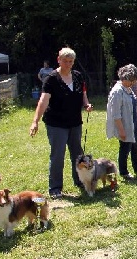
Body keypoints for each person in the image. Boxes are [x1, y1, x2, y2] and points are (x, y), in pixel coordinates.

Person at [29, 47, 93, 199]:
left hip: (75, 121)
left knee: (77, 153)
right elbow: (43, 101)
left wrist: (86, 104)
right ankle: (55, 188)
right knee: (58, 155)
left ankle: (79, 180)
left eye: (71, 61)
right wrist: (35, 121)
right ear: (59, 60)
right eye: (65, 61)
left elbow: (83, 93)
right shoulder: (51, 79)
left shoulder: (77, 75)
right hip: (56, 123)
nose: (68, 64)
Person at [107, 64, 137, 180]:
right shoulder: (117, 91)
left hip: (133, 123)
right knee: (125, 149)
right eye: (132, 81)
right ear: (125, 78)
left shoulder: (128, 89)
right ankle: (124, 172)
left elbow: (131, 107)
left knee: (135, 146)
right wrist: (122, 131)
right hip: (124, 125)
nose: (133, 83)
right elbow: (116, 114)